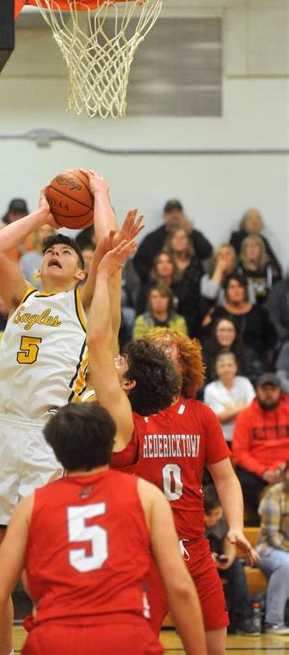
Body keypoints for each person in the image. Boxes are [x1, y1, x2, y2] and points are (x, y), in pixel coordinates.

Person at [0, 172, 126, 654]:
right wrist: (44, 214)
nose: (55, 253)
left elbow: (109, 248)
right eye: (49, 251)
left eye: (67, 253)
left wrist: (99, 195)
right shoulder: (24, 298)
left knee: (44, 582)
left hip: (48, 438)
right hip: (1, 436)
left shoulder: (84, 304)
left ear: (83, 272)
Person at [86, 241, 258, 655]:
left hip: (194, 546)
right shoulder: (129, 410)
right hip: (142, 546)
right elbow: (101, 342)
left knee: (213, 646)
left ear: (185, 365)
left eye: (171, 352)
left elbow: (226, 477)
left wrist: (234, 526)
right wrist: (111, 273)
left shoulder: (202, 415)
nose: (162, 357)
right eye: (156, 352)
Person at [0, 402, 207, 655]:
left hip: (54, 638)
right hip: (125, 638)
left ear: (56, 451)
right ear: (112, 442)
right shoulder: (146, 495)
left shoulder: (32, 505)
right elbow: (181, 588)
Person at [232, 373, 289, 523]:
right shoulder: (245, 415)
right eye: (265, 390)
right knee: (243, 483)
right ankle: (270, 521)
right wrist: (263, 471)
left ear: (279, 391)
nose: (269, 394)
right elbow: (239, 452)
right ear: (257, 391)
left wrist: (285, 469)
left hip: (286, 468)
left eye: (273, 389)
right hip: (258, 472)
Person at [203, 485, 259, 636]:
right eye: (209, 515)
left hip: (217, 556)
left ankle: (243, 619)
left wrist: (228, 558)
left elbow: (230, 543)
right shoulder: (193, 519)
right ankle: (198, 621)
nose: (214, 518)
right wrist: (207, 557)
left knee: (236, 567)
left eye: (217, 513)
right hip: (198, 557)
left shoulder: (225, 518)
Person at [211, 274, 277, 380]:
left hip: (256, 362)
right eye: (232, 287)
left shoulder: (259, 312)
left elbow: (270, 339)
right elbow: (211, 339)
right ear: (226, 291)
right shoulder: (218, 312)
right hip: (225, 361)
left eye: (240, 286)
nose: (236, 291)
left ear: (245, 290)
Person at [133, 198, 213, 284]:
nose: (174, 215)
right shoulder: (153, 238)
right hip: (159, 285)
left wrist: (192, 232)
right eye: (170, 212)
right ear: (164, 216)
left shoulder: (191, 233)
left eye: (177, 212)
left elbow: (207, 252)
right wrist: (154, 278)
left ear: (183, 215)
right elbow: (138, 261)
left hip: (190, 282)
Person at [255, 460, 289, 635]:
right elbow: (272, 535)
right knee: (286, 565)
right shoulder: (274, 494)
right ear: (285, 473)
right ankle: (273, 622)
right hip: (267, 549)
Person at [203, 350, 255, 445]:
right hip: (222, 439)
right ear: (216, 368)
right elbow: (219, 417)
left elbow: (254, 409)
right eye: (222, 366)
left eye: (230, 365)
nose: (226, 369)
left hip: (246, 436)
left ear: (236, 367)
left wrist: (229, 409)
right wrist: (242, 405)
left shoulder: (244, 382)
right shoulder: (210, 389)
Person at [229, 208, 282, 281]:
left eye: (258, 218)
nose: (255, 221)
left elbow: (275, 265)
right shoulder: (237, 237)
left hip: (261, 276)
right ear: (244, 222)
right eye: (250, 218)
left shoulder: (263, 239)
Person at [202, 316, 249, 384]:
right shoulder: (205, 355)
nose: (226, 334)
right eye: (222, 330)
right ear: (215, 333)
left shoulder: (246, 353)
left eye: (230, 330)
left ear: (236, 333)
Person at [237, 234, 274, 305]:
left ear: (261, 250)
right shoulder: (238, 270)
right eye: (248, 246)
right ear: (244, 250)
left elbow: (274, 292)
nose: (252, 249)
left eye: (256, 246)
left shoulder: (269, 270)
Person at [19, 225, 56, 289]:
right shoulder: (26, 259)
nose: (46, 234)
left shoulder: (60, 257)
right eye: (42, 231)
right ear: (36, 235)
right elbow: (21, 286)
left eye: (49, 231)